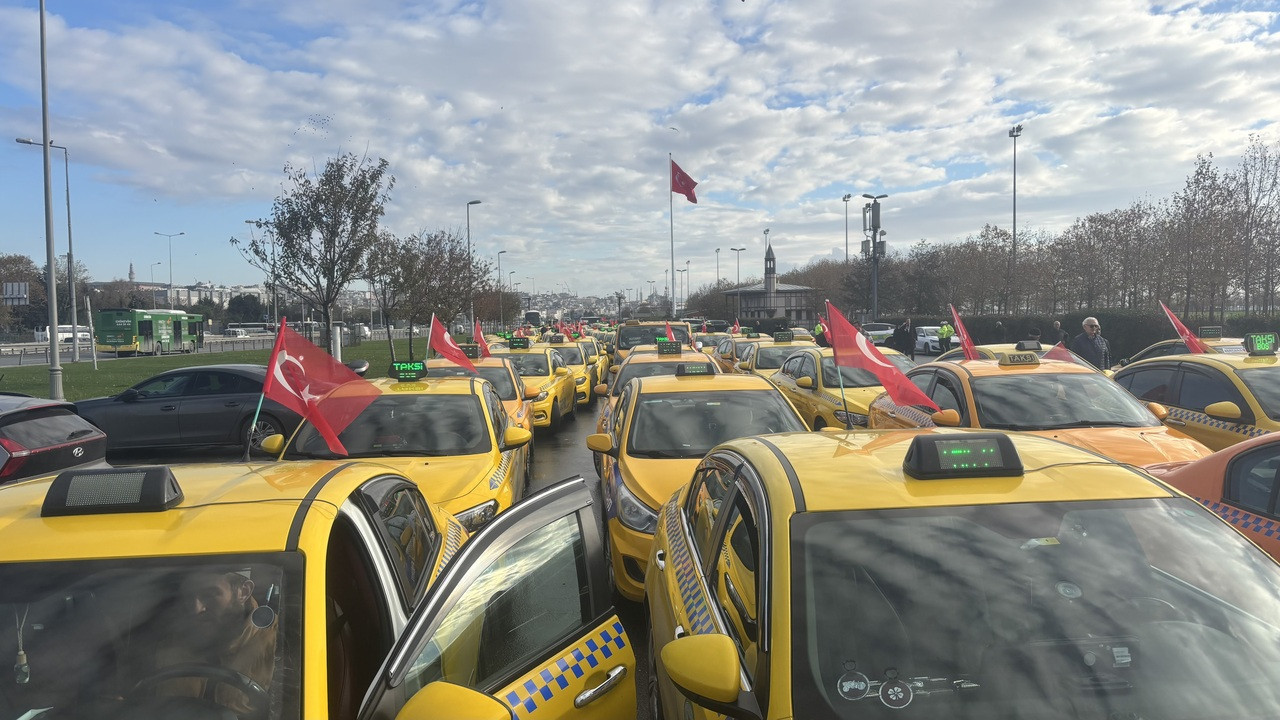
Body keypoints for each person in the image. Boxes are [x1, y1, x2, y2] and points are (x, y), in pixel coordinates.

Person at [156, 569, 278, 716]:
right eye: (188, 598)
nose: (196, 609)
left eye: (210, 595)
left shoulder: (280, 645)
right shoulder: (171, 644)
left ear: (243, 592)